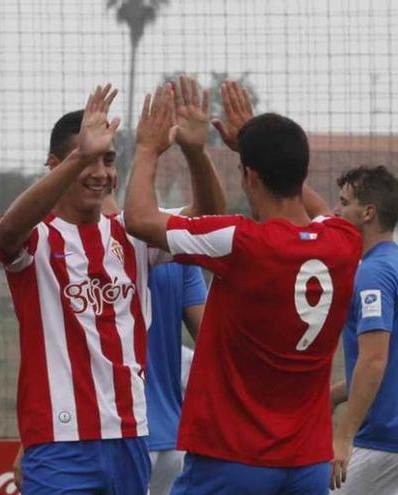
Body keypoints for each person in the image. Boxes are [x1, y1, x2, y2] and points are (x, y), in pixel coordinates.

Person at [123, 81, 362, 495]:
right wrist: (253, 141)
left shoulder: (240, 241)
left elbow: (139, 220)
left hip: (232, 459)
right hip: (307, 462)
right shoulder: (343, 241)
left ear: (249, 176)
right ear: (301, 174)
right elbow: (319, 210)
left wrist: (147, 149)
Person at [0, 78, 224, 495]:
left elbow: (207, 217)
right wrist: (78, 157)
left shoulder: (132, 233)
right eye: (89, 161)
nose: (100, 173)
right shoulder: (38, 239)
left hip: (131, 434)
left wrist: (195, 152)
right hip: (59, 440)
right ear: (55, 163)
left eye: (108, 160)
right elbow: (7, 230)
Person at [329, 165, 398, 494]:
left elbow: (373, 360)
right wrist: (335, 394)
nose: (335, 210)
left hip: (380, 443)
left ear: (368, 213)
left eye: (343, 203)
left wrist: (343, 436)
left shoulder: (373, 274)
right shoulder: (393, 265)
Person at [145, 263, 206, 495]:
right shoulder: (177, 250)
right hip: (172, 438)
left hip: (118, 436)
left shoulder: (98, 241)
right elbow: (212, 341)